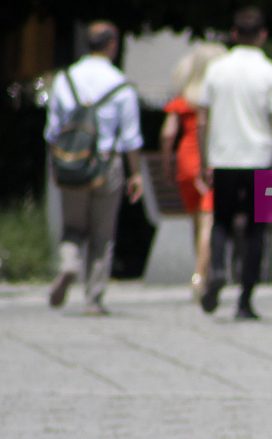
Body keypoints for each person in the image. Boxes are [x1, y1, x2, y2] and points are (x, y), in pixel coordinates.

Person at [197, 6, 272, 320]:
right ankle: (245, 301)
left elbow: (201, 120)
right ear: (262, 35)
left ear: (234, 34)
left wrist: (203, 161)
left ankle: (217, 269)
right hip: (261, 160)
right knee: (257, 230)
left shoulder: (215, 70)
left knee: (221, 219)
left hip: (223, 158)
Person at [44, 20, 144, 315]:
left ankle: (69, 264)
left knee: (72, 227)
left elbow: (53, 130)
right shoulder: (120, 84)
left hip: (72, 162)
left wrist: (56, 163)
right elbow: (131, 137)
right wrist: (135, 173)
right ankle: (94, 298)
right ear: (112, 44)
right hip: (106, 162)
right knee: (103, 234)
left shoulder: (66, 79)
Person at [160, 42, 226, 299]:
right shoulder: (215, 98)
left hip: (184, 162)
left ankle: (201, 270)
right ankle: (201, 276)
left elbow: (167, 134)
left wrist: (168, 164)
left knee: (197, 220)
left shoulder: (184, 98)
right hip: (208, 159)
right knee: (209, 218)